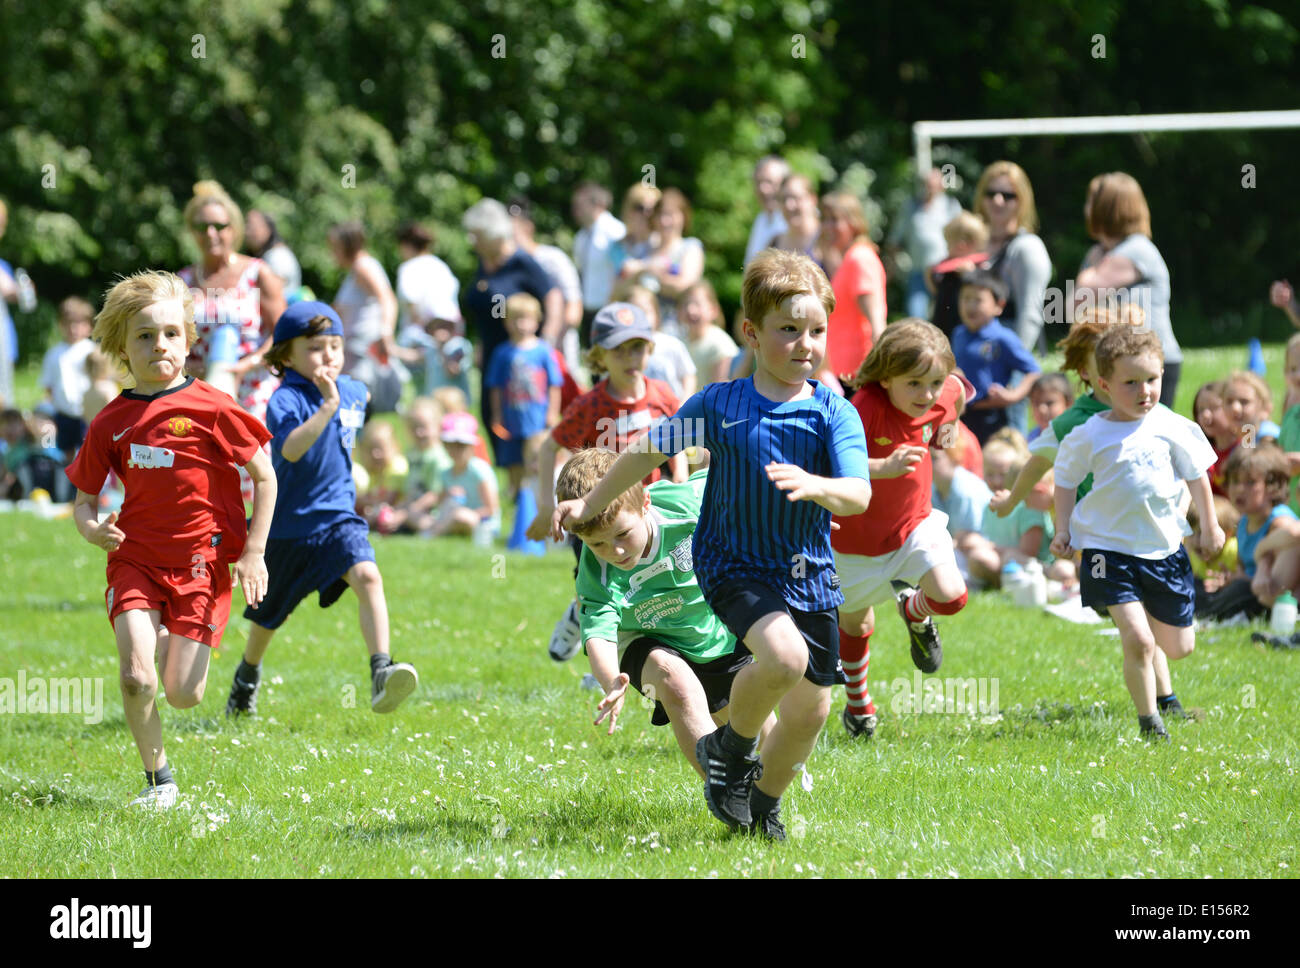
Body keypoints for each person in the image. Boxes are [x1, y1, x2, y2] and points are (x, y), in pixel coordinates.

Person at [552, 250, 872, 839]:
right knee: (783, 657)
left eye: (817, 331)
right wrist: (592, 504)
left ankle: (762, 805)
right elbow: (647, 452)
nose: (806, 344)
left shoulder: (833, 412)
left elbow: (857, 494)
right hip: (734, 566)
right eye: (789, 330)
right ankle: (728, 748)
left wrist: (818, 485)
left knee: (810, 713)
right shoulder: (718, 406)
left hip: (810, 577)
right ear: (750, 333)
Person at [65, 270, 277, 809]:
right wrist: (93, 530)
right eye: (144, 335)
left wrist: (253, 552)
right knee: (137, 679)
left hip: (202, 564)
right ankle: (159, 784)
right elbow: (84, 499)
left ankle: (169, 640)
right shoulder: (110, 421)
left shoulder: (213, 407)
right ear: (121, 347)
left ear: (188, 340)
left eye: (171, 334)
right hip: (133, 559)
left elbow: (265, 475)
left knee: (183, 694)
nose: (160, 344)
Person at [225, 301, 418, 717]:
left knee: (368, 574)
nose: (328, 355)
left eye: (335, 345)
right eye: (315, 347)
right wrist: (327, 407)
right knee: (267, 617)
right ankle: (247, 675)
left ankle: (381, 671)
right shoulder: (286, 399)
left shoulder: (353, 391)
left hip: (338, 519)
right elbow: (291, 450)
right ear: (286, 356)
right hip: (288, 527)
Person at [557, 448, 772, 780]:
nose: (614, 551)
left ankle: (765, 795)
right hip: (641, 637)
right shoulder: (594, 570)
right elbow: (599, 631)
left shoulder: (685, 505)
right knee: (675, 682)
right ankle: (723, 787)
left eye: (622, 535)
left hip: (709, 631)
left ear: (645, 503)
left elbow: (735, 480)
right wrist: (611, 680)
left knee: (762, 735)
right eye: (597, 544)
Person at [1050, 326, 1221, 741]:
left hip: (1163, 549)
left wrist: (1210, 524)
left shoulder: (1172, 426)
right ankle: (1150, 722)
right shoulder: (1090, 434)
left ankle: (1160, 692)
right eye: (1131, 383)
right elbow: (1065, 480)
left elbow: (1197, 476)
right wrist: (1063, 530)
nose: (1144, 390)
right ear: (1104, 384)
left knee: (1179, 647)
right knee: (1140, 640)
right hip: (1107, 552)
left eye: (1152, 379)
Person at [830, 320, 970, 739]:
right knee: (853, 626)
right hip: (852, 543)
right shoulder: (865, 408)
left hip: (913, 525)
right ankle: (859, 708)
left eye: (934, 382)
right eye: (914, 384)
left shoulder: (946, 393)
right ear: (887, 377)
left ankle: (913, 611)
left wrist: (945, 436)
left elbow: (955, 402)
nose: (926, 394)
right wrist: (882, 468)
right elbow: (833, 466)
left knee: (952, 596)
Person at [527, 302, 685, 662]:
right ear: (599, 355)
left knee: (641, 588)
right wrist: (545, 506)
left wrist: (680, 479)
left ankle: (620, 650)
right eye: (618, 349)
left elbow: (681, 440)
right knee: (598, 589)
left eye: (638, 347)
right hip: (594, 515)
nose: (630, 357)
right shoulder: (590, 405)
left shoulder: (662, 396)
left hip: (643, 514)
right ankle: (586, 629)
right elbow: (549, 447)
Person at [462, 198, 561, 460]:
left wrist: (547, 340)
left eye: (477, 235)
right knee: (493, 419)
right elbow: (483, 311)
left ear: (494, 234)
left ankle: (533, 487)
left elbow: (553, 296)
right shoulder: (483, 265)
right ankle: (514, 489)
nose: (472, 241)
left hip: (523, 363)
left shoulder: (521, 262)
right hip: (494, 358)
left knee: (527, 425)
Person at [990, 314, 1114, 520]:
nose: (1114, 365)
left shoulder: (1151, 413)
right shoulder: (1070, 423)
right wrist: (1011, 501)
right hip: (1096, 536)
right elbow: (1037, 464)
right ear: (1085, 371)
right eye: (1104, 360)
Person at [178, 181, 285, 418]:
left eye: (219, 226)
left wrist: (248, 364)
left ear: (234, 228)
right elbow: (171, 336)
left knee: (254, 454)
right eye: (201, 226)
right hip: (199, 389)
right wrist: (185, 366)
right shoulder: (182, 281)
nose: (210, 233)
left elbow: (283, 332)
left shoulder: (257, 273)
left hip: (252, 389)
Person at [1074, 172, 1182, 406]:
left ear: (1108, 207)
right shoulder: (1108, 253)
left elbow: (1080, 296)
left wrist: (1093, 262)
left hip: (1149, 363)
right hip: (1126, 361)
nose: (1086, 208)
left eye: (1092, 200)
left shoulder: (1136, 250)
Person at [485, 292, 562, 541]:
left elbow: (554, 384)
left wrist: (552, 412)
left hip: (538, 422)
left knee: (540, 466)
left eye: (526, 319)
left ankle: (544, 511)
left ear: (537, 321)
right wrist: (496, 415)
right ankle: (519, 511)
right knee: (514, 467)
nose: (521, 324)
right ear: (506, 322)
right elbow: (495, 386)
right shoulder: (502, 352)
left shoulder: (543, 351)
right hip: (511, 421)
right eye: (515, 319)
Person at [952, 270, 1040, 443]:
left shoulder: (1002, 338)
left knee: (990, 462)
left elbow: (1034, 370)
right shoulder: (958, 334)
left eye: (977, 300)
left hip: (990, 416)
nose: (970, 306)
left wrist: (1013, 396)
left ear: (998, 305)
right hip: (960, 412)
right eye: (965, 299)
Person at [974, 161, 1052, 355]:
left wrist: (1014, 370)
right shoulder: (973, 244)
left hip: (1004, 362)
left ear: (1022, 201)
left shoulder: (1026, 248)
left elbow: (1030, 315)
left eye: (1008, 195)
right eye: (991, 193)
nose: (998, 200)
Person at [329, 220, 403, 409]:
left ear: (348, 245)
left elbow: (387, 299)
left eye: (335, 247)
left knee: (359, 406)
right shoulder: (356, 269)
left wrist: (385, 333)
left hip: (363, 350)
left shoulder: (363, 266)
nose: (332, 254)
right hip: (354, 350)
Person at [509, 197, 584, 368]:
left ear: (528, 228)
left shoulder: (553, 259)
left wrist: (548, 345)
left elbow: (574, 308)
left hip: (560, 353)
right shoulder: (509, 266)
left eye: (512, 232)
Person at [821, 192, 887, 383]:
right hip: (845, 370)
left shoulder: (859, 258)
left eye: (834, 220)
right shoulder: (849, 258)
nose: (827, 226)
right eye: (825, 220)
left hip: (859, 371)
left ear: (854, 222)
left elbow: (876, 322)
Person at [619, 188, 704, 338]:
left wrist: (646, 270)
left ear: (683, 217)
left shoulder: (690, 248)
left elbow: (684, 286)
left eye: (670, 215)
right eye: (660, 215)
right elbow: (621, 287)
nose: (665, 221)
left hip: (677, 331)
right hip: (640, 328)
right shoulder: (645, 248)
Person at [887, 168, 961, 320]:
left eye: (933, 185)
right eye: (926, 185)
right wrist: (892, 266)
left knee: (946, 316)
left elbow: (962, 233)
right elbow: (895, 239)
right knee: (916, 316)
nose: (929, 189)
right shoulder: (911, 207)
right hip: (918, 272)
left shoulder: (950, 205)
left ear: (941, 186)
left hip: (945, 272)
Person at [613, 280, 697, 401]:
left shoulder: (671, 344)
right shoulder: (619, 349)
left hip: (674, 412)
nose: (640, 317)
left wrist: (685, 401)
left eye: (645, 311)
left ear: (656, 315)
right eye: (634, 312)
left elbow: (688, 375)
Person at [428, 412, 500, 542]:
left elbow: (491, 509)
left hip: (483, 522)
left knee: (459, 516)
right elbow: (440, 503)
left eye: (461, 446)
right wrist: (449, 495)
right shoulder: (446, 472)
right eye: (451, 445)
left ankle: (432, 534)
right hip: (455, 516)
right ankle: (437, 530)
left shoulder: (479, 470)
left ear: (472, 446)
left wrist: (465, 513)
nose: (455, 450)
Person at [40, 297, 96, 457]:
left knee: (88, 451)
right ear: (60, 325)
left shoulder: (91, 352)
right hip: (63, 412)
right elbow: (49, 385)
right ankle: (67, 480)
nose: (73, 329)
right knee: (66, 452)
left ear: (89, 327)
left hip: (87, 413)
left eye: (78, 324)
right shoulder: (54, 354)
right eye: (68, 323)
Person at [572, 182, 626, 337]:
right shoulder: (581, 237)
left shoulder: (616, 232)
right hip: (588, 311)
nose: (576, 211)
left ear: (598, 204)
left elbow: (623, 270)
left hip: (611, 309)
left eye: (580, 205)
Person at [928, 211, 990, 339]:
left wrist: (970, 275)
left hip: (963, 327)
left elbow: (984, 292)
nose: (947, 249)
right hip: (941, 322)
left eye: (949, 244)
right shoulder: (946, 267)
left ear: (962, 245)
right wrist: (930, 276)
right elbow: (936, 289)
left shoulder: (980, 268)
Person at [680, 281, 738, 387]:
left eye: (697, 304)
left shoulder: (720, 344)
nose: (690, 310)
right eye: (686, 304)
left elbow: (720, 390)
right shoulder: (680, 342)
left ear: (713, 310)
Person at [766, 173, 822, 265]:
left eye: (795, 198)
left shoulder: (827, 239)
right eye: (784, 199)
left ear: (812, 199)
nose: (789, 206)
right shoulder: (774, 243)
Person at [244, 209, 303, 296]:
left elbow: (274, 291)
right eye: (246, 227)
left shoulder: (278, 256)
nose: (247, 233)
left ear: (267, 229)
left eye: (252, 228)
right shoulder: (269, 254)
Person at [745, 156, 789, 266]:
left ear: (785, 184)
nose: (763, 189)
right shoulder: (761, 219)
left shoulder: (794, 221)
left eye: (769, 182)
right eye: (758, 182)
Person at [1027, 372, 1073, 443]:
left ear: (1068, 404)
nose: (1042, 410)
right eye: (1036, 403)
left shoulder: (1074, 435)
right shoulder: (1031, 439)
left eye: (1049, 403)